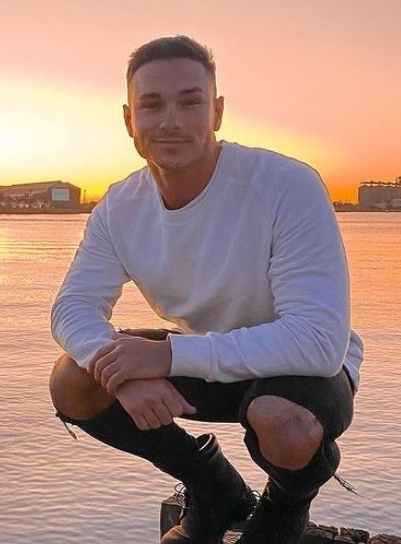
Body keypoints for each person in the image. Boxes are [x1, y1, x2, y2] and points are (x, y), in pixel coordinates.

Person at [49, 35, 362, 544]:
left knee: (280, 421)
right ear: (130, 120)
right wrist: (126, 375)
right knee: (72, 379)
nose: (170, 120)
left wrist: (167, 357)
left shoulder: (287, 185)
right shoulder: (119, 207)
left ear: (216, 112)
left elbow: (318, 341)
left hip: (304, 373)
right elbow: (72, 308)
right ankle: (212, 485)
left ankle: (284, 511)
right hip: (204, 362)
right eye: (152, 105)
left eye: (189, 101)